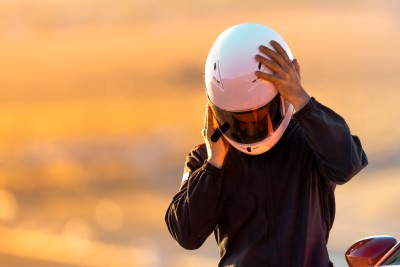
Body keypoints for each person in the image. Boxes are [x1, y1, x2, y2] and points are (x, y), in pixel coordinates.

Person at [165, 23, 368, 267]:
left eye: (261, 116)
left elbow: (347, 163)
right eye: (238, 120)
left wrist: (303, 100)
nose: (252, 128)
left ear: (284, 98)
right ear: (215, 111)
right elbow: (186, 234)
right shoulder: (205, 159)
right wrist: (214, 164)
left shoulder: (310, 139)